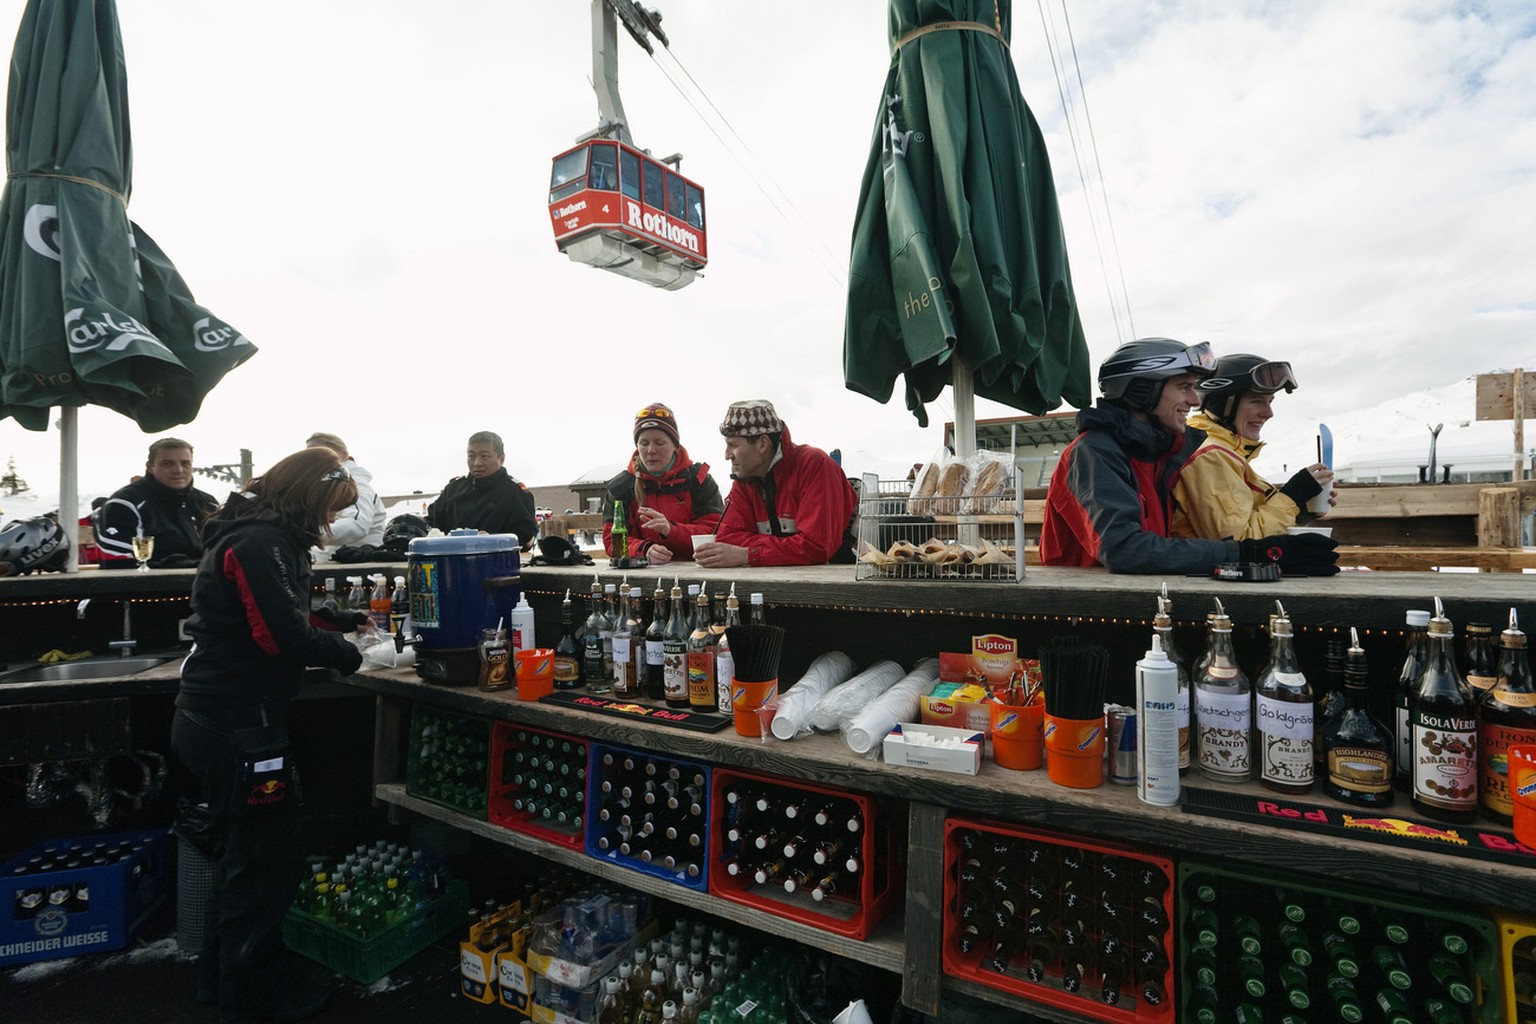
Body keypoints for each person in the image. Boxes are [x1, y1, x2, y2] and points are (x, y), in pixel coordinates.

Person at [170, 447, 371, 1023]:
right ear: (309, 497)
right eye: (330, 509)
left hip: (221, 716)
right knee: (265, 862)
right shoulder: (260, 543)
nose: (329, 523)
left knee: (245, 856)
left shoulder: (253, 535)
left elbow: (276, 609)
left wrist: (340, 620)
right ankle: (255, 993)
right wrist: (351, 654)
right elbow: (281, 636)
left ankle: (223, 981)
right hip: (238, 723)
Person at [1040, 338, 1338, 576]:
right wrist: (1250, 554)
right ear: (1143, 391)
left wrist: (1295, 513)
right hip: (1084, 610)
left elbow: (1175, 541)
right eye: (1184, 387)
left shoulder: (1158, 454)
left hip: (1142, 599)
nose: (1195, 400)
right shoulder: (1095, 452)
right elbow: (1127, 550)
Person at [1170, 354, 1336, 541]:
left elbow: (1253, 525)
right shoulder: (1210, 456)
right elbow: (1238, 541)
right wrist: (1291, 496)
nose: (1268, 413)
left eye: (1270, 402)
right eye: (1256, 401)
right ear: (1222, 405)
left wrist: (1299, 511)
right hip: (1206, 569)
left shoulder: (1229, 453)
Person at [697, 400, 858, 568]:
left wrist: (749, 554)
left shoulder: (815, 465)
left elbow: (816, 547)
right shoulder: (745, 480)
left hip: (838, 588)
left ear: (762, 444)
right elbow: (728, 539)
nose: (727, 455)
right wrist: (787, 548)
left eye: (733, 445)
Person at [602, 402, 724, 565]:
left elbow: (713, 535)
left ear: (675, 446)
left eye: (659, 443)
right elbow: (613, 544)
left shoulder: (699, 481)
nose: (651, 450)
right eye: (644, 443)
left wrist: (670, 530)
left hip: (696, 572)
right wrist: (644, 549)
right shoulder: (621, 487)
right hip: (642, 576)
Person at [95, 437, 219, 568]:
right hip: (148, 586)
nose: (178, 470)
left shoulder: (207, 503)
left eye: (185, 463)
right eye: (167, 464)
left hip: (206, 585)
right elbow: (118, 564)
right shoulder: (124, 503)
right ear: (150, 467)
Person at [427, 430, 538, 547]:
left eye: (484, 456)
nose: (476, 463)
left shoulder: (515, 492)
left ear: (501, 459)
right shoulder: (453, 489)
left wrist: (492, 539)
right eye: (471, 456)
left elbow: (526, 535)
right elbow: (431, 523)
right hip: (451, 558)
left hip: (494, 560)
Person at [304, 431, 386, 558]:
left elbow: (357, 525)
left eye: (319, 453)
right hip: (337, 557)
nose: (312, 459)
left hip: (359, 560)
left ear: (342, 455)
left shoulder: (355, 484)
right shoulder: (330, 486)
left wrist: (307, 535)